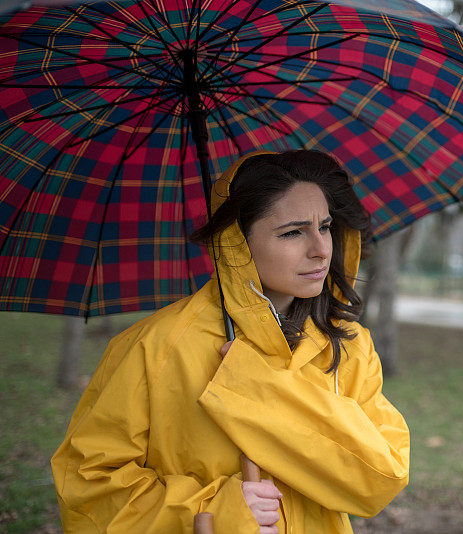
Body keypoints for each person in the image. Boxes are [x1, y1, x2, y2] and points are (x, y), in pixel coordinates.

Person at [51, 150, 411, 533]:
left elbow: (380, 479)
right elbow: (87, 488)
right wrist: (212, 511)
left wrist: (262, 390)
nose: (321, 248)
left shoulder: (348, 344)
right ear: (236, 243)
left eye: (324, 226)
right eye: (292, 232)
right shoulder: (153, 348)